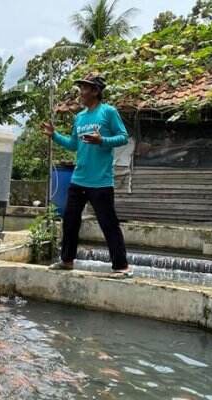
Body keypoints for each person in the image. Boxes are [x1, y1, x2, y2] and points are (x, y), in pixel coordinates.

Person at [41, 74, 131, 277]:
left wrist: (102, 141)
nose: (81, 92)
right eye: (80, 87)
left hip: (100, 181)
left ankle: (121, 266)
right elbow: (74, 144)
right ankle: (67, 261)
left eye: (85, 88)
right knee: (70, 221)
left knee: (108, 224)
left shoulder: (108, 112)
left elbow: (123, 137)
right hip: (78, 179)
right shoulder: (79, 117)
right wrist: (54, 135)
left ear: (96, 91)